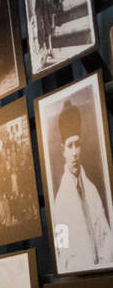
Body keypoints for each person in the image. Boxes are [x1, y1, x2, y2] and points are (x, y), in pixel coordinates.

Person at [50, 101, 113, 272]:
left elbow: (107, 235)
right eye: (70, 146)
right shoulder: (60, 201)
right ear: (63, 149)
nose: (74, 152)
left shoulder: (92, 190)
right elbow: (61, 249)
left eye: (77, 144)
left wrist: (105, 260)